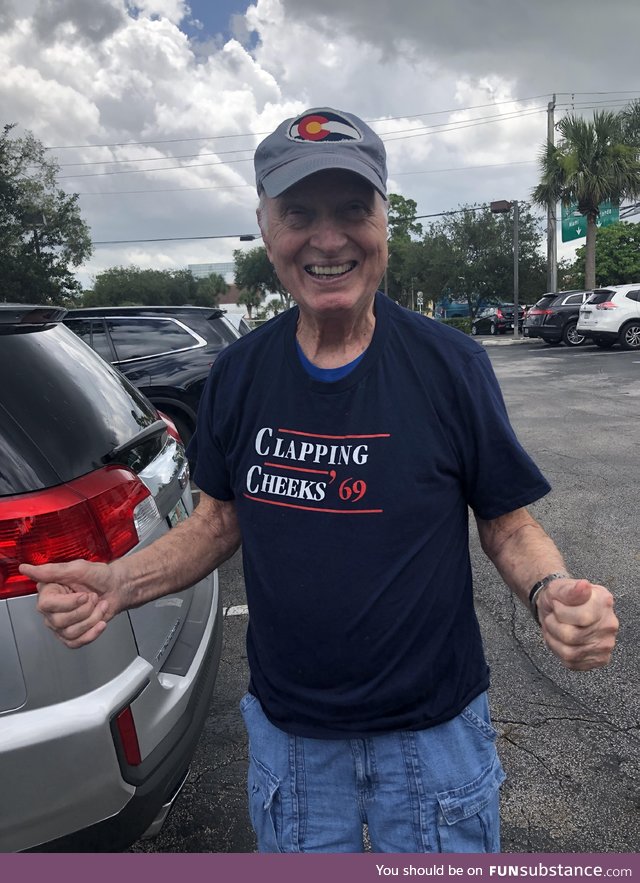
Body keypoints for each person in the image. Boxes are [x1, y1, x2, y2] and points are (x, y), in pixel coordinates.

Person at [20, 107, 618, 854]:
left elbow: (507, 522)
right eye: (300, 211)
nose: (328, 238)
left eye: (352, 209)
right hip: (294, 747)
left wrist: (550, 592)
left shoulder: (450, 365)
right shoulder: (240, 374)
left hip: (432, 739)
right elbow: (216, 521)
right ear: (267, 227)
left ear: (384, 223)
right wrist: (117, 583)